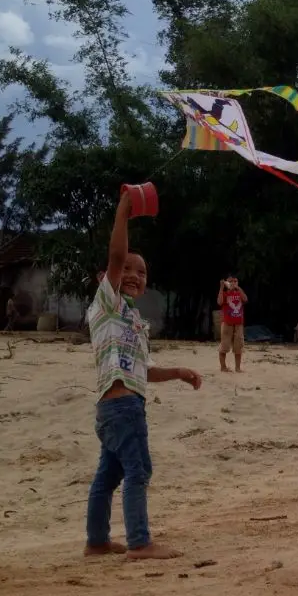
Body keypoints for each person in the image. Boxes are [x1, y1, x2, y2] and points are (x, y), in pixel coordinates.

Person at [85, 190, 202, 561]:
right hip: (123, 409)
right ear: (104, 277)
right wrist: (124, 210)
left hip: (113, 409)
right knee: (139, 470)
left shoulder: (133, 320)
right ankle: (139, 542)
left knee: (108, 476)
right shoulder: (106, 303)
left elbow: (144, 371)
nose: (134, 275)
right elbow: (117, 255)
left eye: (142, 271)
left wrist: (178, 372)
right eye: (127, 269)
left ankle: (97, 542)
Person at [217, 276, 248, 372]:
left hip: (238, 324)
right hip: (227, 323)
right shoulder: (225, 294)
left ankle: (237, 368)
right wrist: (221, 288)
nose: (233, 283)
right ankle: (223, 367)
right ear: (227, 283)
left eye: (235, 281)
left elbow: (245, 299)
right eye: (231, 281)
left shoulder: (239, 293)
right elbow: (219, 302)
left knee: (238, 347)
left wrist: (238, 288)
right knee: (224, 346)